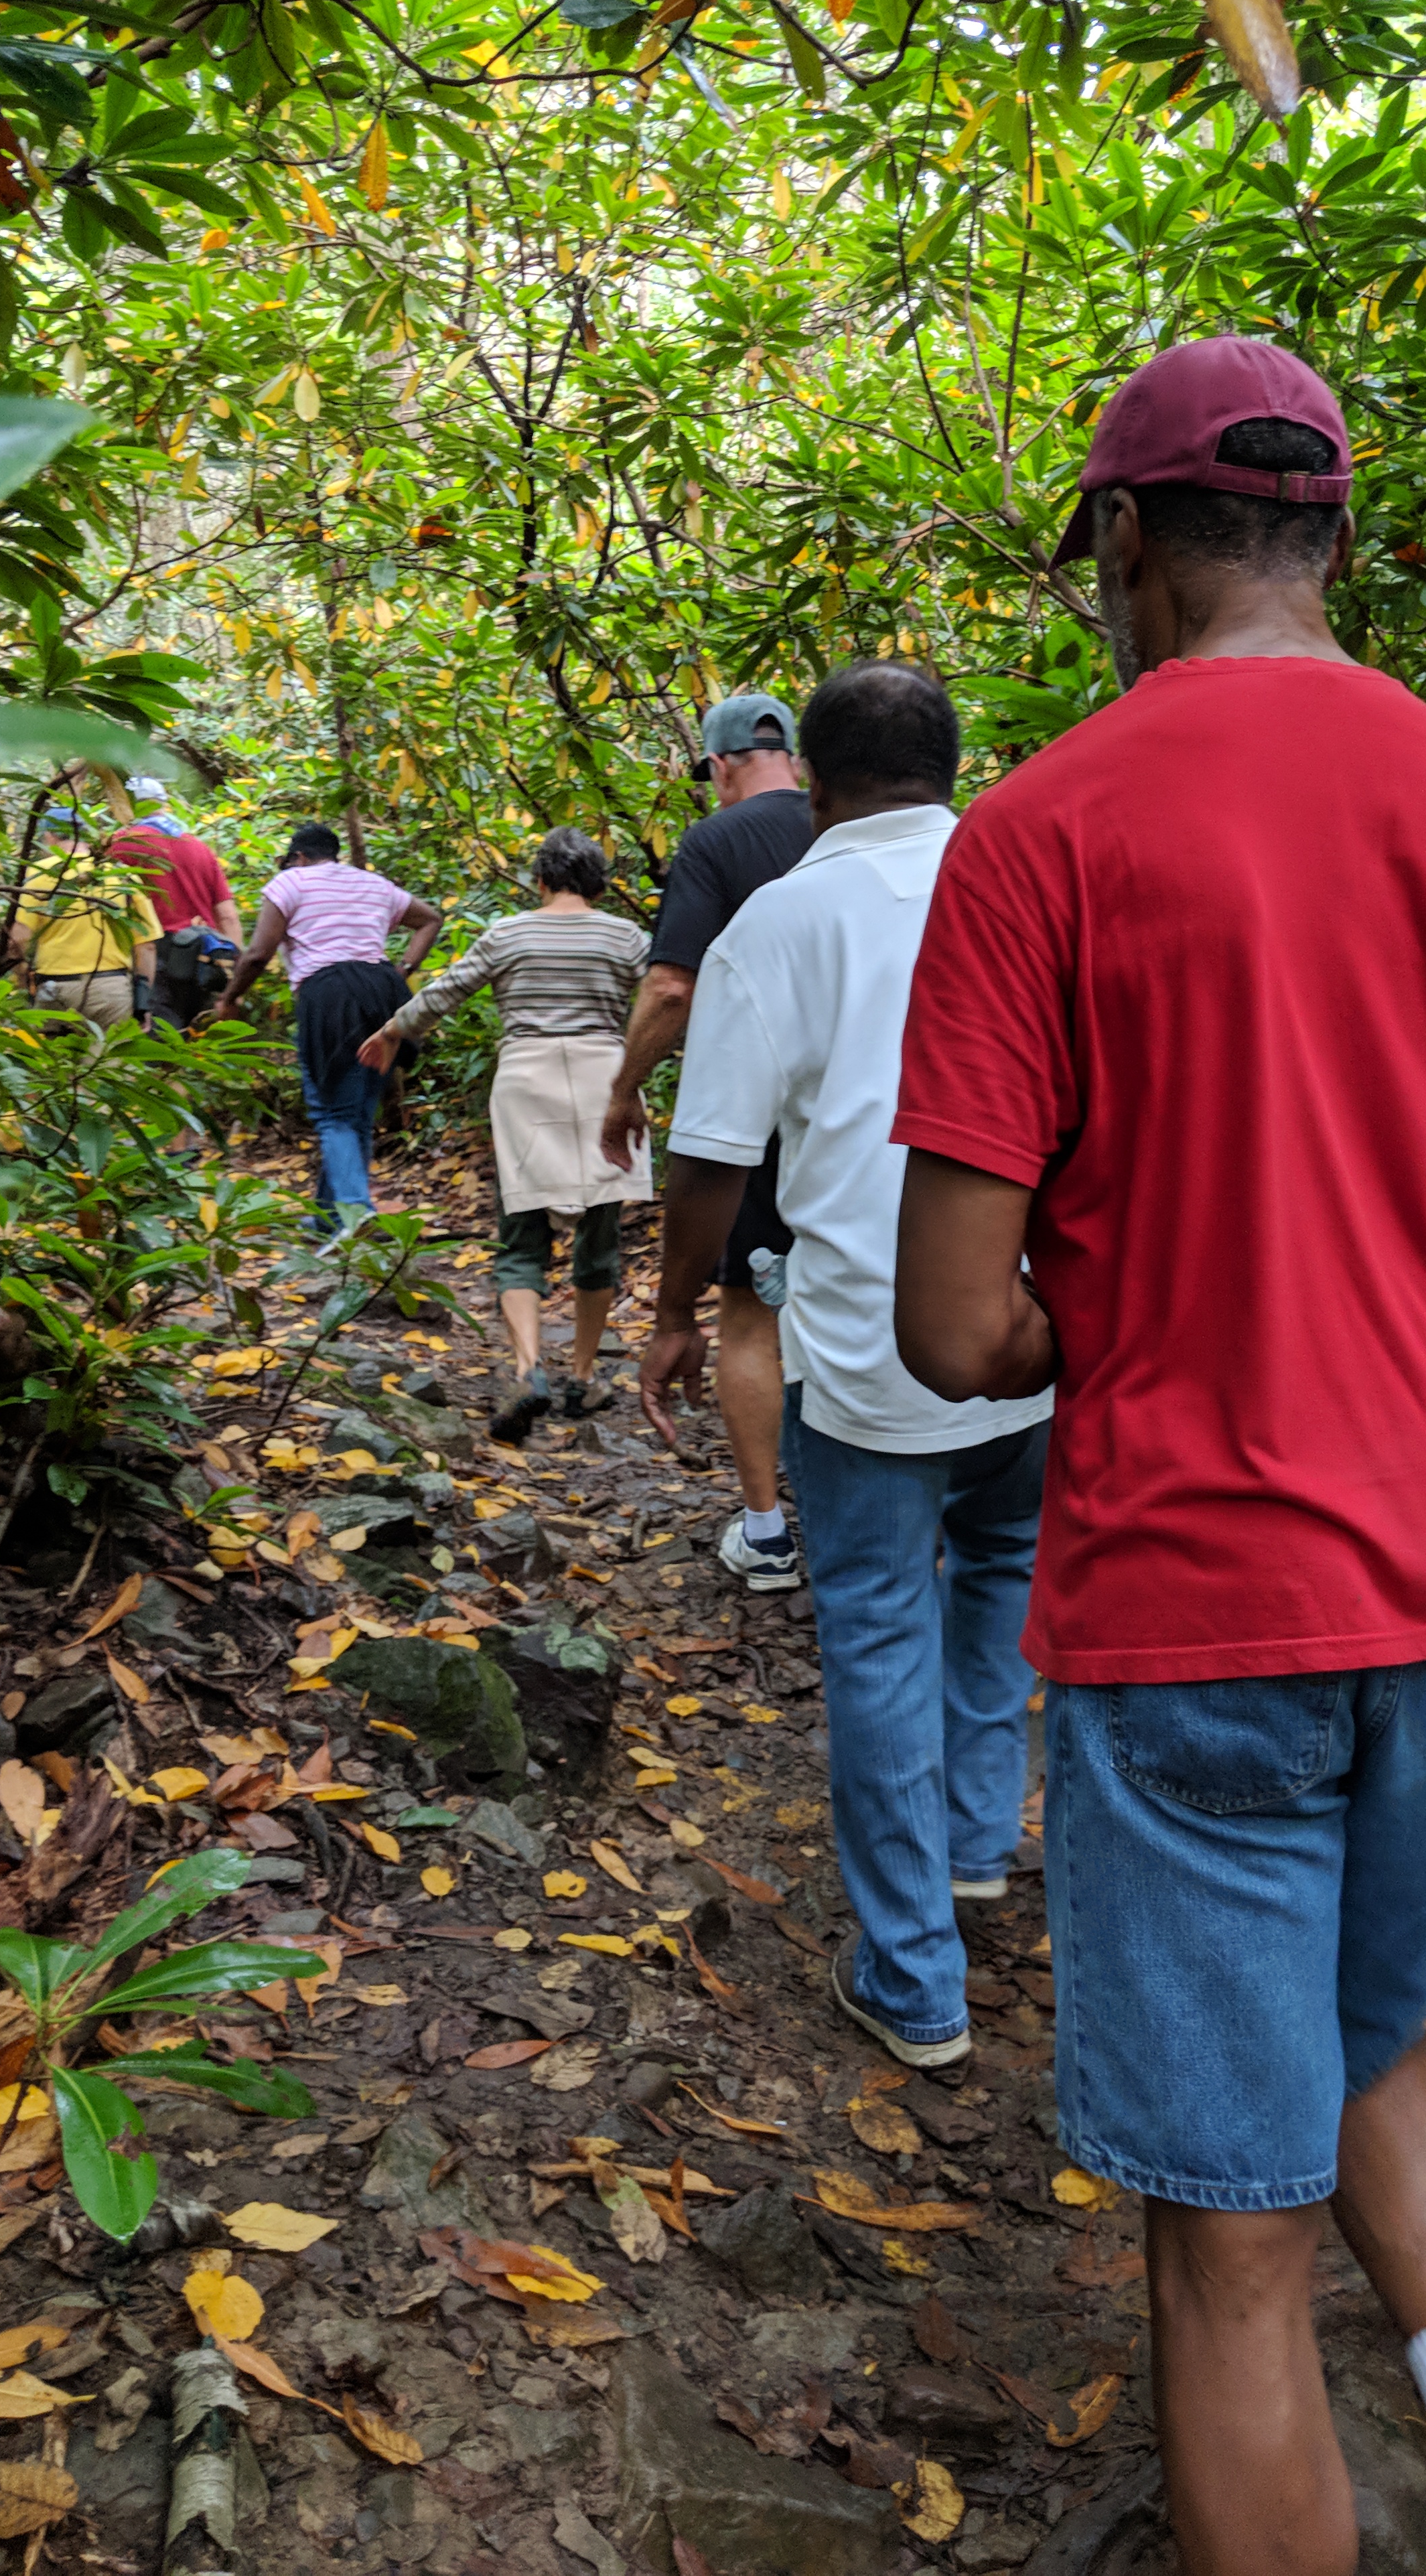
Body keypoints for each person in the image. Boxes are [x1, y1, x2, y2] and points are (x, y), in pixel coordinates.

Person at [887, 338, 1426, 2576]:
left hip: (1205, 1612)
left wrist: (1168, 1271)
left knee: (1228, 2245)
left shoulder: (1041, 833)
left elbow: (952, 1323)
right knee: (1377, 2040)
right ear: (1331, 535)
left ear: (1126, 552)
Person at [640, 661, 1053, 2073]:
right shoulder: (1039, 884)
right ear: (958, 765)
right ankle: (979, 1845)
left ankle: (913, 1975)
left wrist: (674, 1308)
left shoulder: (787, 917)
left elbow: (712, 1158)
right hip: (1036, 1329)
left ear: (811, 778)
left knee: (878, 1623)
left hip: (871, 1343)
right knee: (1000, 1578)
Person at [601, 693, 810, 1595]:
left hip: (765, 1112)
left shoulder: (716, 842)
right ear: (794, 757)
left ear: (721, 766)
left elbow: (673, 990)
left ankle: (768, 1531)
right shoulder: (863, 823)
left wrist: (625, 1084)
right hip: (882, 1111)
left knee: (750, 1313)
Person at [357, 827, 652, 1443]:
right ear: (599, 882)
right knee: (597, 1236)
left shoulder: (509, 934)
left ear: (540, 880)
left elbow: (447, 990)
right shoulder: (625, 936)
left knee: (521, 1233)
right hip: (606, 1077)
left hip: (526, 1079)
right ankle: (583, 1377)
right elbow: (668, 996)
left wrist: (392, 1031)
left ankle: (527, 1370)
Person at [199, 823, 442, 1227]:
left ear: (298, 857)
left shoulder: (290, 882)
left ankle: (355, 1216)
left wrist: (229, 998)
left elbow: (260, 953)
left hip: (330, 992)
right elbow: (430, 919)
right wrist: (403, 971)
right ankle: (329, 1216)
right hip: (381, 991)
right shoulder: (373, 883)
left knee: (334, 1114)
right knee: (357, 1112)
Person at [8, 805, 160, 1032]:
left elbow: (20, 940)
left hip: (55, 989)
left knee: (53, 1064)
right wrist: (141, 1002)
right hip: (111, 991)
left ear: (49, 836)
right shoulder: (123, 876)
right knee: (108, 1063)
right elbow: (146, 947)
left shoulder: (38, 875)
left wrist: (25, 984)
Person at [111, 776, 244, 1030]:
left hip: (155, 954)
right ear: (164, 804)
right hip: (204, 957)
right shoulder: (198, 847)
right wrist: (232, 973)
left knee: (156, 1039)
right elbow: (228, 916)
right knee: (195, 1040)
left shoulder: (123, 844)